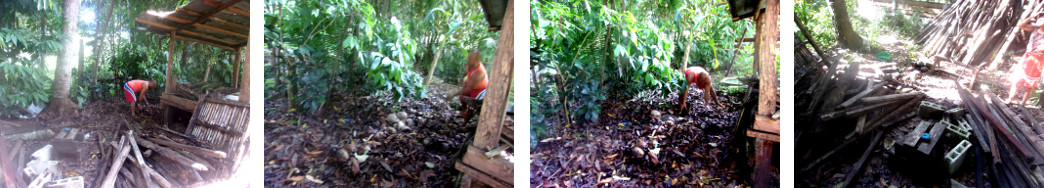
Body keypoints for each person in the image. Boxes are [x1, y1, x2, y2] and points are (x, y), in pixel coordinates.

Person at [1007, 12, 1044, 105]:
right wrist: (1031, 16)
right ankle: (1010, 99)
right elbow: (1020, 25)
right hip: (1028, 57)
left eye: (1042, 19)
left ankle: (1022, 104)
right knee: (1017, 79)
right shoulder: (1035, 28)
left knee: (1030, 85)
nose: (1040, 20)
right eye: (1039, 18)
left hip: (1038, 61)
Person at [446, 51, 488, 117]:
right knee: (462, 98)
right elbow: (467, 71)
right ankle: (464, 111)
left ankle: (464, 124)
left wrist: (453, 94)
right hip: (470, 83)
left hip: (479, 88)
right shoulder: (470, 64)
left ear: (477, 60)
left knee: (472, 106)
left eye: (470, 59)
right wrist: (463, 77)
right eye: (468, 58)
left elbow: (469, 89)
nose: (468, 61)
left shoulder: (480, 73)